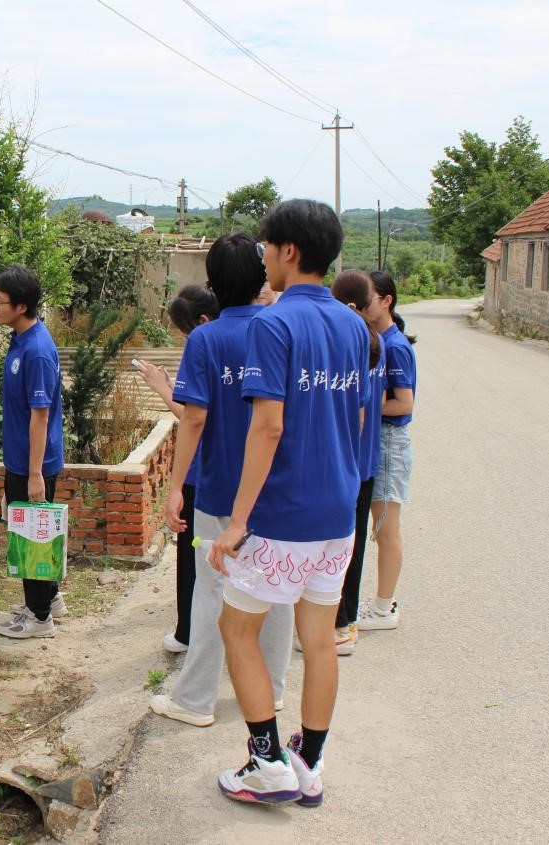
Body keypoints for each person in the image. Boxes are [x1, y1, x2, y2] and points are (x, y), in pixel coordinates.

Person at [207, 199, 369, 806]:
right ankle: (309, 760)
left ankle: (267, 762)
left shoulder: (272, 326)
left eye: (267, 247)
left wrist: (238, 522)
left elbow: (268, 427)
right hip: (337, 512)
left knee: (237, 628)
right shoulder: (354, 327)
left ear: (289, 251)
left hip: (283, 514)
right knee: (320, 637)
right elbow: (356, 417)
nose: (264, 258)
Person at [151, 235, 292, 727]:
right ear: (260, 277)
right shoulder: (281, 328)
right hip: (273, 488)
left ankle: (195, 700)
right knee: (273, 587)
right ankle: (272, 689)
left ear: (212, 284)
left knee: (213, 590)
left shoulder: (207, 339)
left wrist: (175, 487)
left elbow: (193, 419)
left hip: (218, 490)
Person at [136, 284, 218, 654]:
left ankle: (188, 632)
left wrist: (160, 388)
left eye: (186, 330)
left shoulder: (203, 345)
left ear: (202, 320)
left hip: (202, 468)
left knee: (192, 549)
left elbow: (191, 416)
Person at [0, 264, 66, 639]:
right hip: (22, 459)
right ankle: (49, 599)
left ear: (21, 306)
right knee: (33, 532)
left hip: (33, 463)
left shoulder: (36, 351)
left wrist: (35, 474)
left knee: (32, 536)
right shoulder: (20, 339)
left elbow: (41, 415)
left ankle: (39, 619)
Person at [327, 270, 385, 656]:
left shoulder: (342, 341)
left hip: (342, 460)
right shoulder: (375, 340)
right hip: (363, 461)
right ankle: (346, 622)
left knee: (334, 547)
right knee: (354, 544)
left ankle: (336, 624)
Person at [358, 270, 417, 632]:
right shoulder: (379, 340)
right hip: (378, 439)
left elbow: (405, 403)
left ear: (387, 301)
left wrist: (369, 405)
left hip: (389, 441)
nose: (361, 306)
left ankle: (383, 608)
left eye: (367, 299)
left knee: (386, 529)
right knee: (380, 527)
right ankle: (382, 602)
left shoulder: (394, 346)